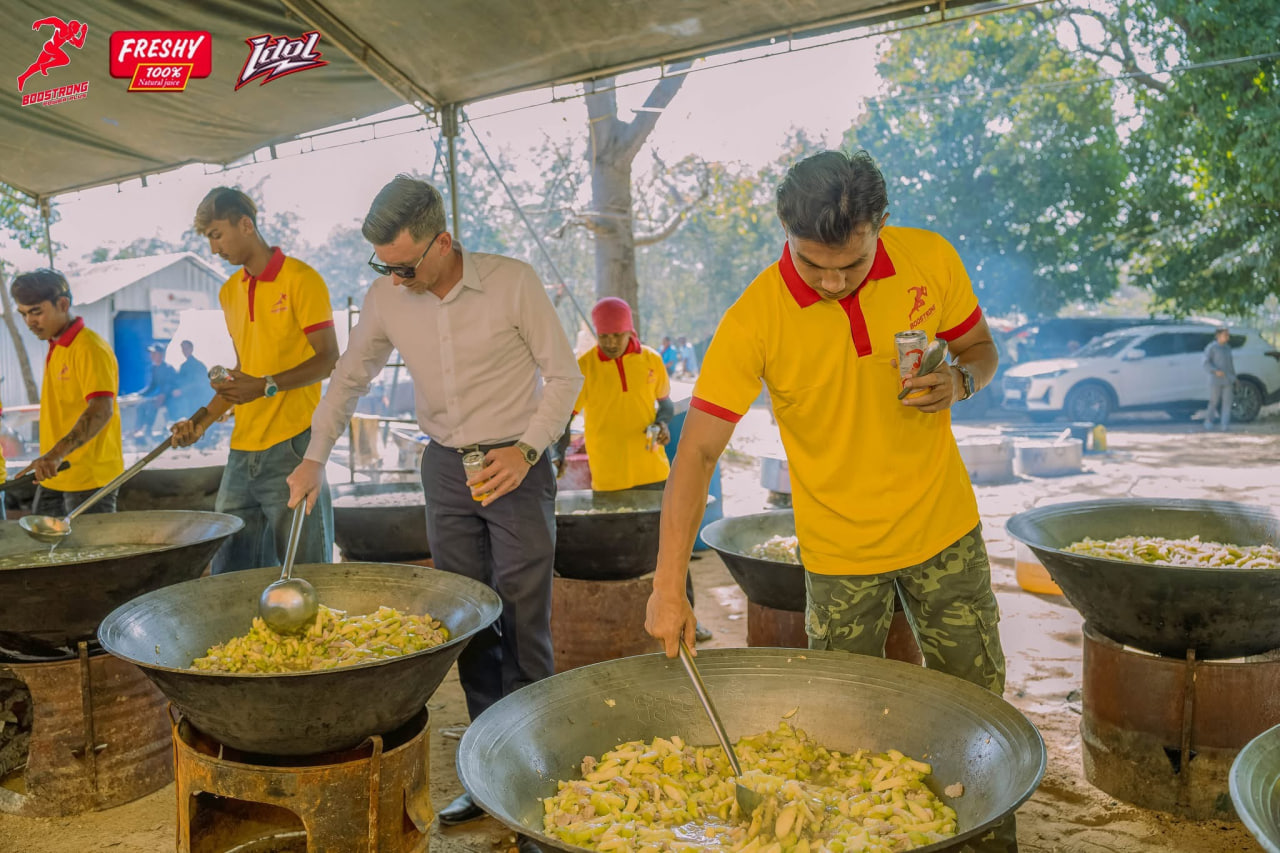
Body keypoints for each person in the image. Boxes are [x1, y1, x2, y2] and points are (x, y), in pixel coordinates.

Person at [643, 150, 1014, 851]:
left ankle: (988, 838)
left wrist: (963, 380)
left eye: (853, 263)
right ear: (785, 232)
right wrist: (668, 586)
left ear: (881, 223)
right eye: (814, 265)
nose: (835, 282)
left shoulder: (930, 259)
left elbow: (980, 347)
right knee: (843, 728)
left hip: (944, 529)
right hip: (840, 554)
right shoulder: (756, 316)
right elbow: (696, 453)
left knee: (979, 702)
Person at [285, 175, 580, 847]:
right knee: (469, 619)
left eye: (405, 265)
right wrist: (314, 457)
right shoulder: (388, 296)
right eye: (383, 266)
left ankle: (538, 786)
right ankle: (487, 772)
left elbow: (565, 376)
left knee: (523, 620)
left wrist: (527, 450)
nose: (395, 278)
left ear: (442, 241)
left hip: (516, 463)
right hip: (445, 467)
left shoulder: (511, 282)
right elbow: (349, 377)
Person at [170, 187, 339, 574]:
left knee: (307, 573)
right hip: (242, 451)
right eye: (208, 238)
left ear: (246, 225)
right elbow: (244, 370)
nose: (214, 248)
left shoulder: (301, 279)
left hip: (294, 446)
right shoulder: (229, 291)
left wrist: (266, 385)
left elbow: (329, 359)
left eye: (217, 235)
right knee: (231, 574)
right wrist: (199, 422)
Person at [554, 298, 713, 642]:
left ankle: (689, 619)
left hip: (654, 473)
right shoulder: (584, 367)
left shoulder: (651, 360)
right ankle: (626, 623)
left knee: (673, 548)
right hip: (609, 479)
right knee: (618, 552)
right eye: (604, 336)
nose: (611, 343)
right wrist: (558, 451)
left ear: (630, 331)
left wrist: (662, 423)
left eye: (617, 335)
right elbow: (566, 418)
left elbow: (665, 405)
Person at [11, 269, 124, 515]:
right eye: (24, 314)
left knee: (90, 542)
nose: (30, 322)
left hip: (89, 478)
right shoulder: (57, 346)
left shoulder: (90, 348)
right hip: (55, 473)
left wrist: (55, 455)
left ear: (62, 304)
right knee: (40, 538)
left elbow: (101, 409)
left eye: (36, 312)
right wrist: (52, 457)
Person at [134, 343, 178, 440]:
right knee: (141, 405)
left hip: (170, 398)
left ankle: (148, 431)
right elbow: (152, 386)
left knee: (152, 405)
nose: (152, 355)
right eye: (151, 353)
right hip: (161, 397)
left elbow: (170, 385)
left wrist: (163, 395)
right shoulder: (154, 368)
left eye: (155, 353)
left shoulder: (168, 368)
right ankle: (138, 429)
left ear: (161, 354)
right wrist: (140, 394)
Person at [1203, 327, 1236, 431]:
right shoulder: (1211, 347)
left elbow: (1230, 364)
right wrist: (1215, 371)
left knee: (1227, 402)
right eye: (1225, 335)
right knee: (1214, 401)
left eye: (1228, 335)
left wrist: (1234, 377)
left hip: (1228, 379)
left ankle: (1224, 424)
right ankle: (1208, 421)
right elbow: (1206, 363)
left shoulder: (1228, 348)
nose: (1227, 337)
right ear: (1218, 335)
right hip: (1215, 380)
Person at [174, 339, 209, 419]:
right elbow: (180, 382)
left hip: (198, 399)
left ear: (191, 349)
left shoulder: (199, 366)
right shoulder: (183, 366)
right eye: (183, 348)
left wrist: (182, 390)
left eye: (186, 348)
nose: (184, 350)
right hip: (186, 400)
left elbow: (200, 383)